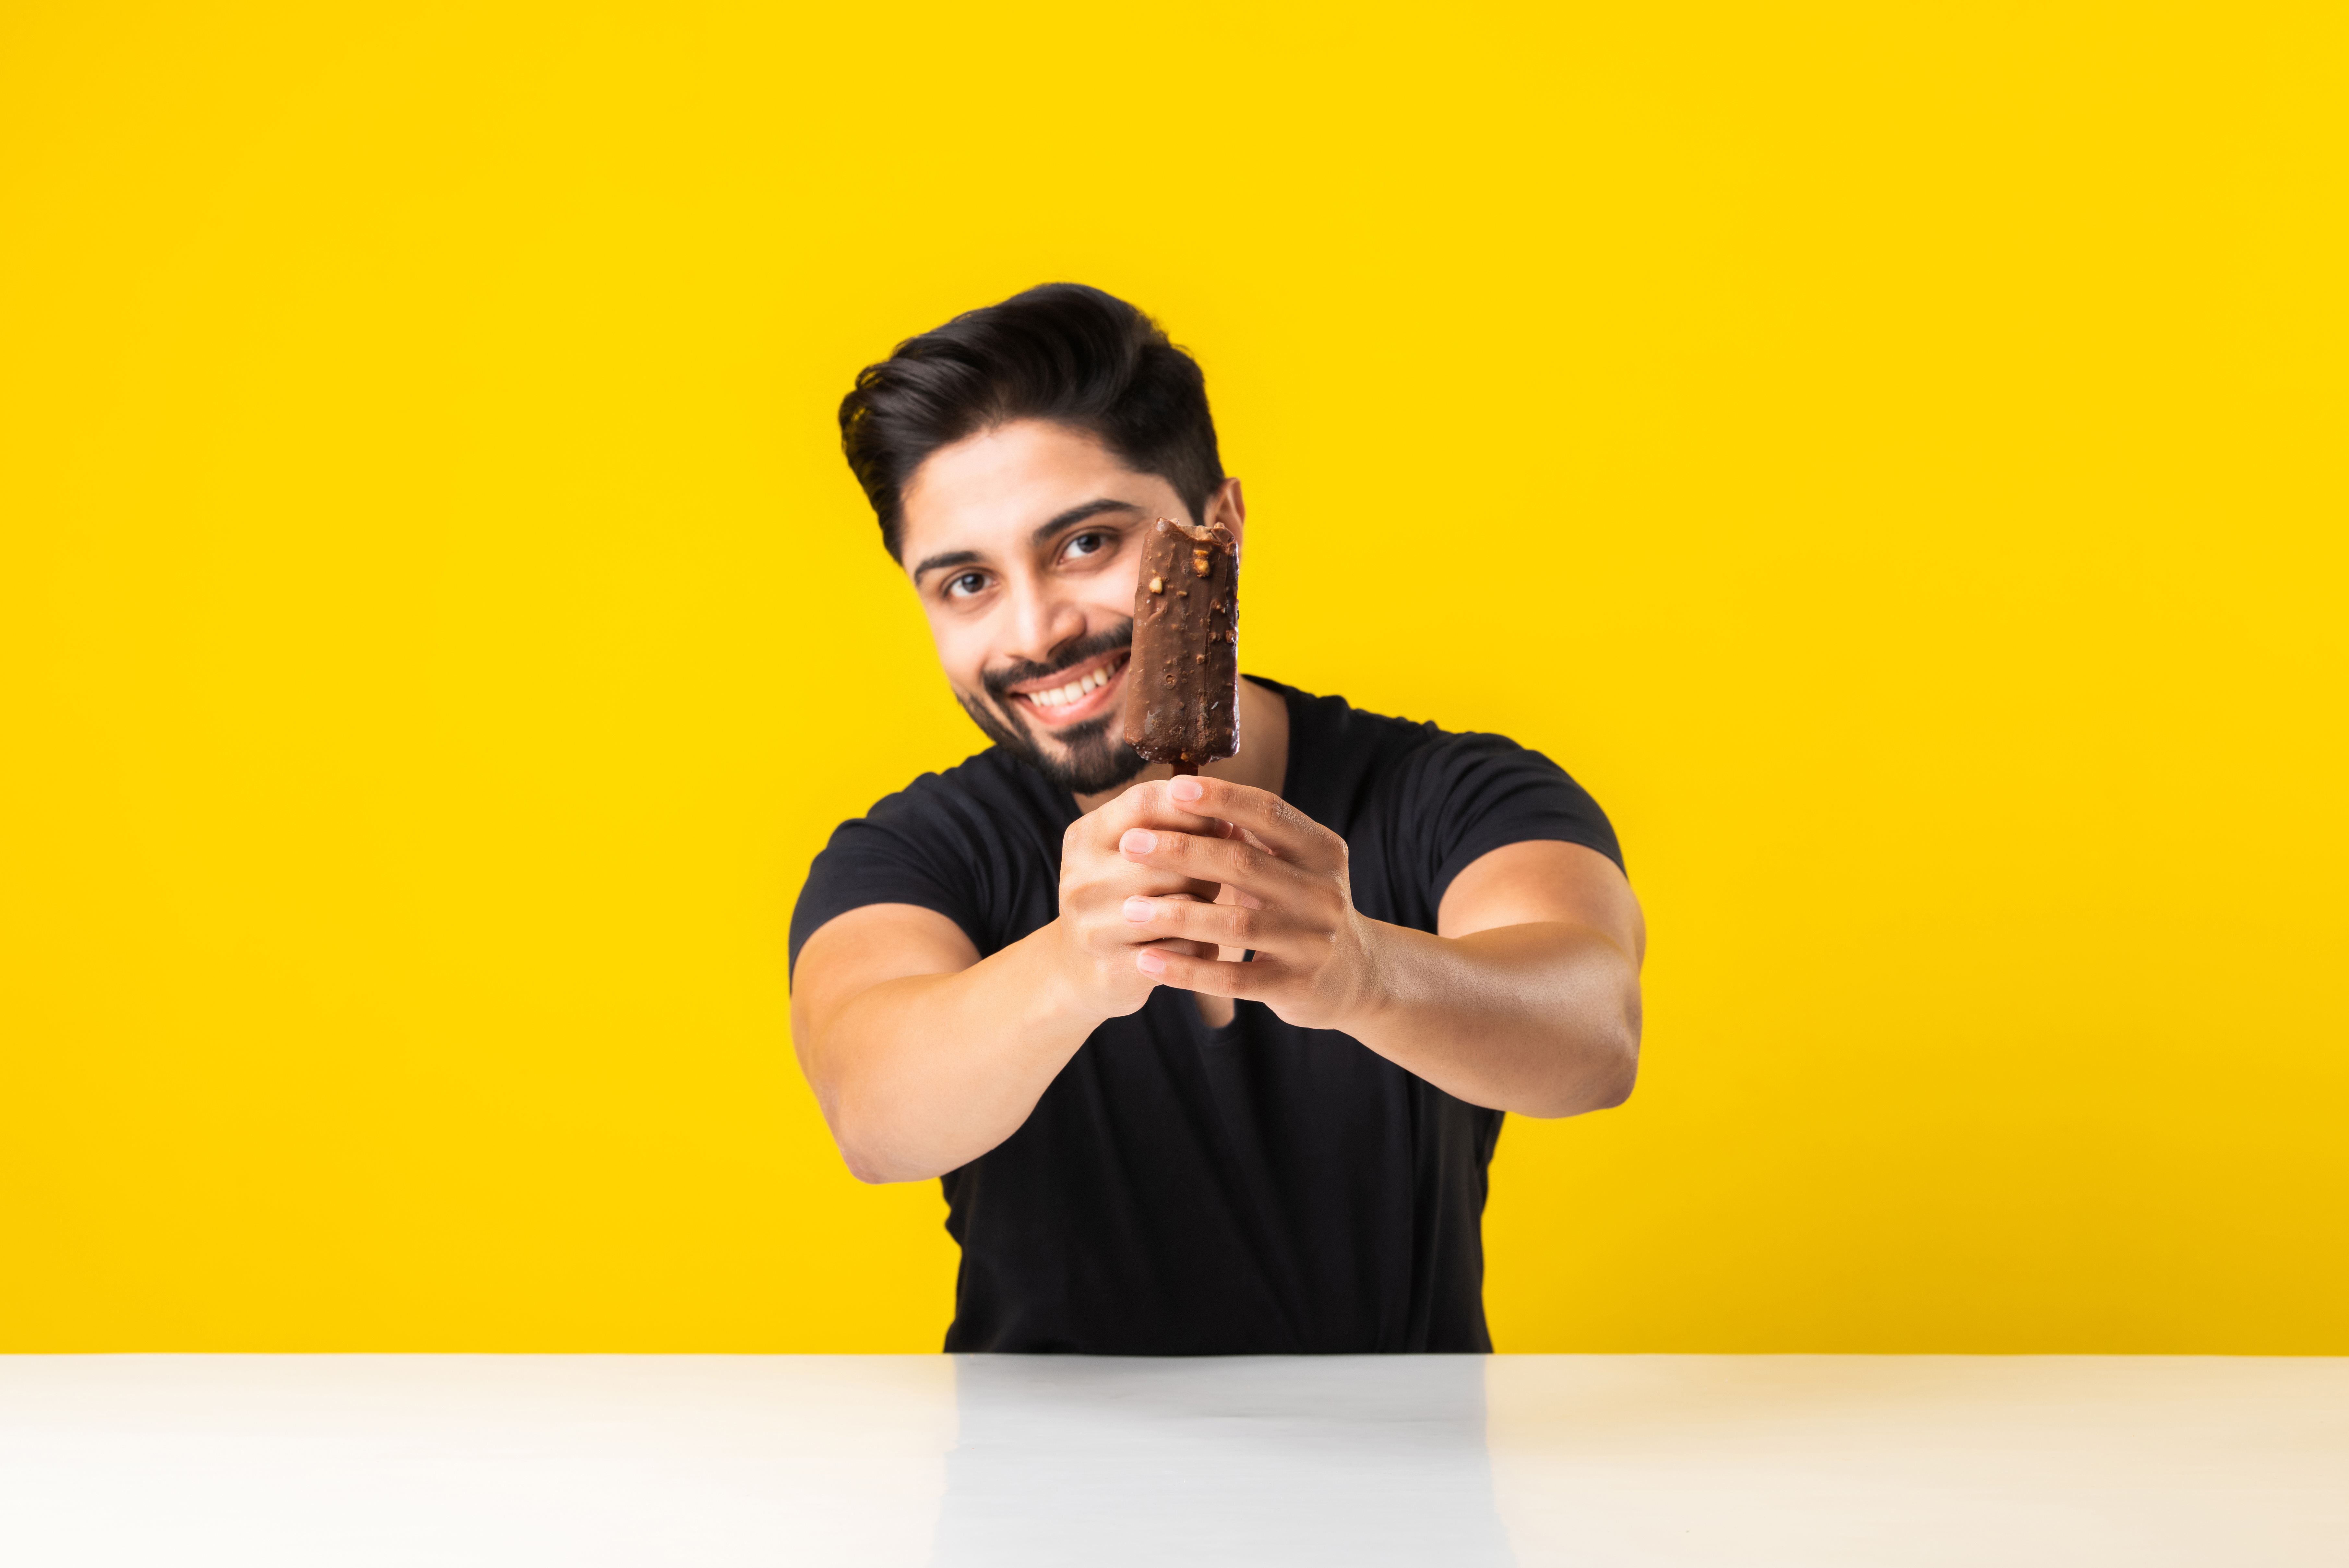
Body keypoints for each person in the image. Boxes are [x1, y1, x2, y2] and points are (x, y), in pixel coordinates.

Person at [789, 284, 1646, 1354]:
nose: (1037, 629)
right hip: (1032, 1500)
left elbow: (1594, 1031)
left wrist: (1364, 972)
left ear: (1220, 528)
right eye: (967, 581)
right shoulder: (913, 853)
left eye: (1086, 543)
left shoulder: (1454, 792)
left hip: (1412, 1491)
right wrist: (1073, 967)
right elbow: (873, 1112)